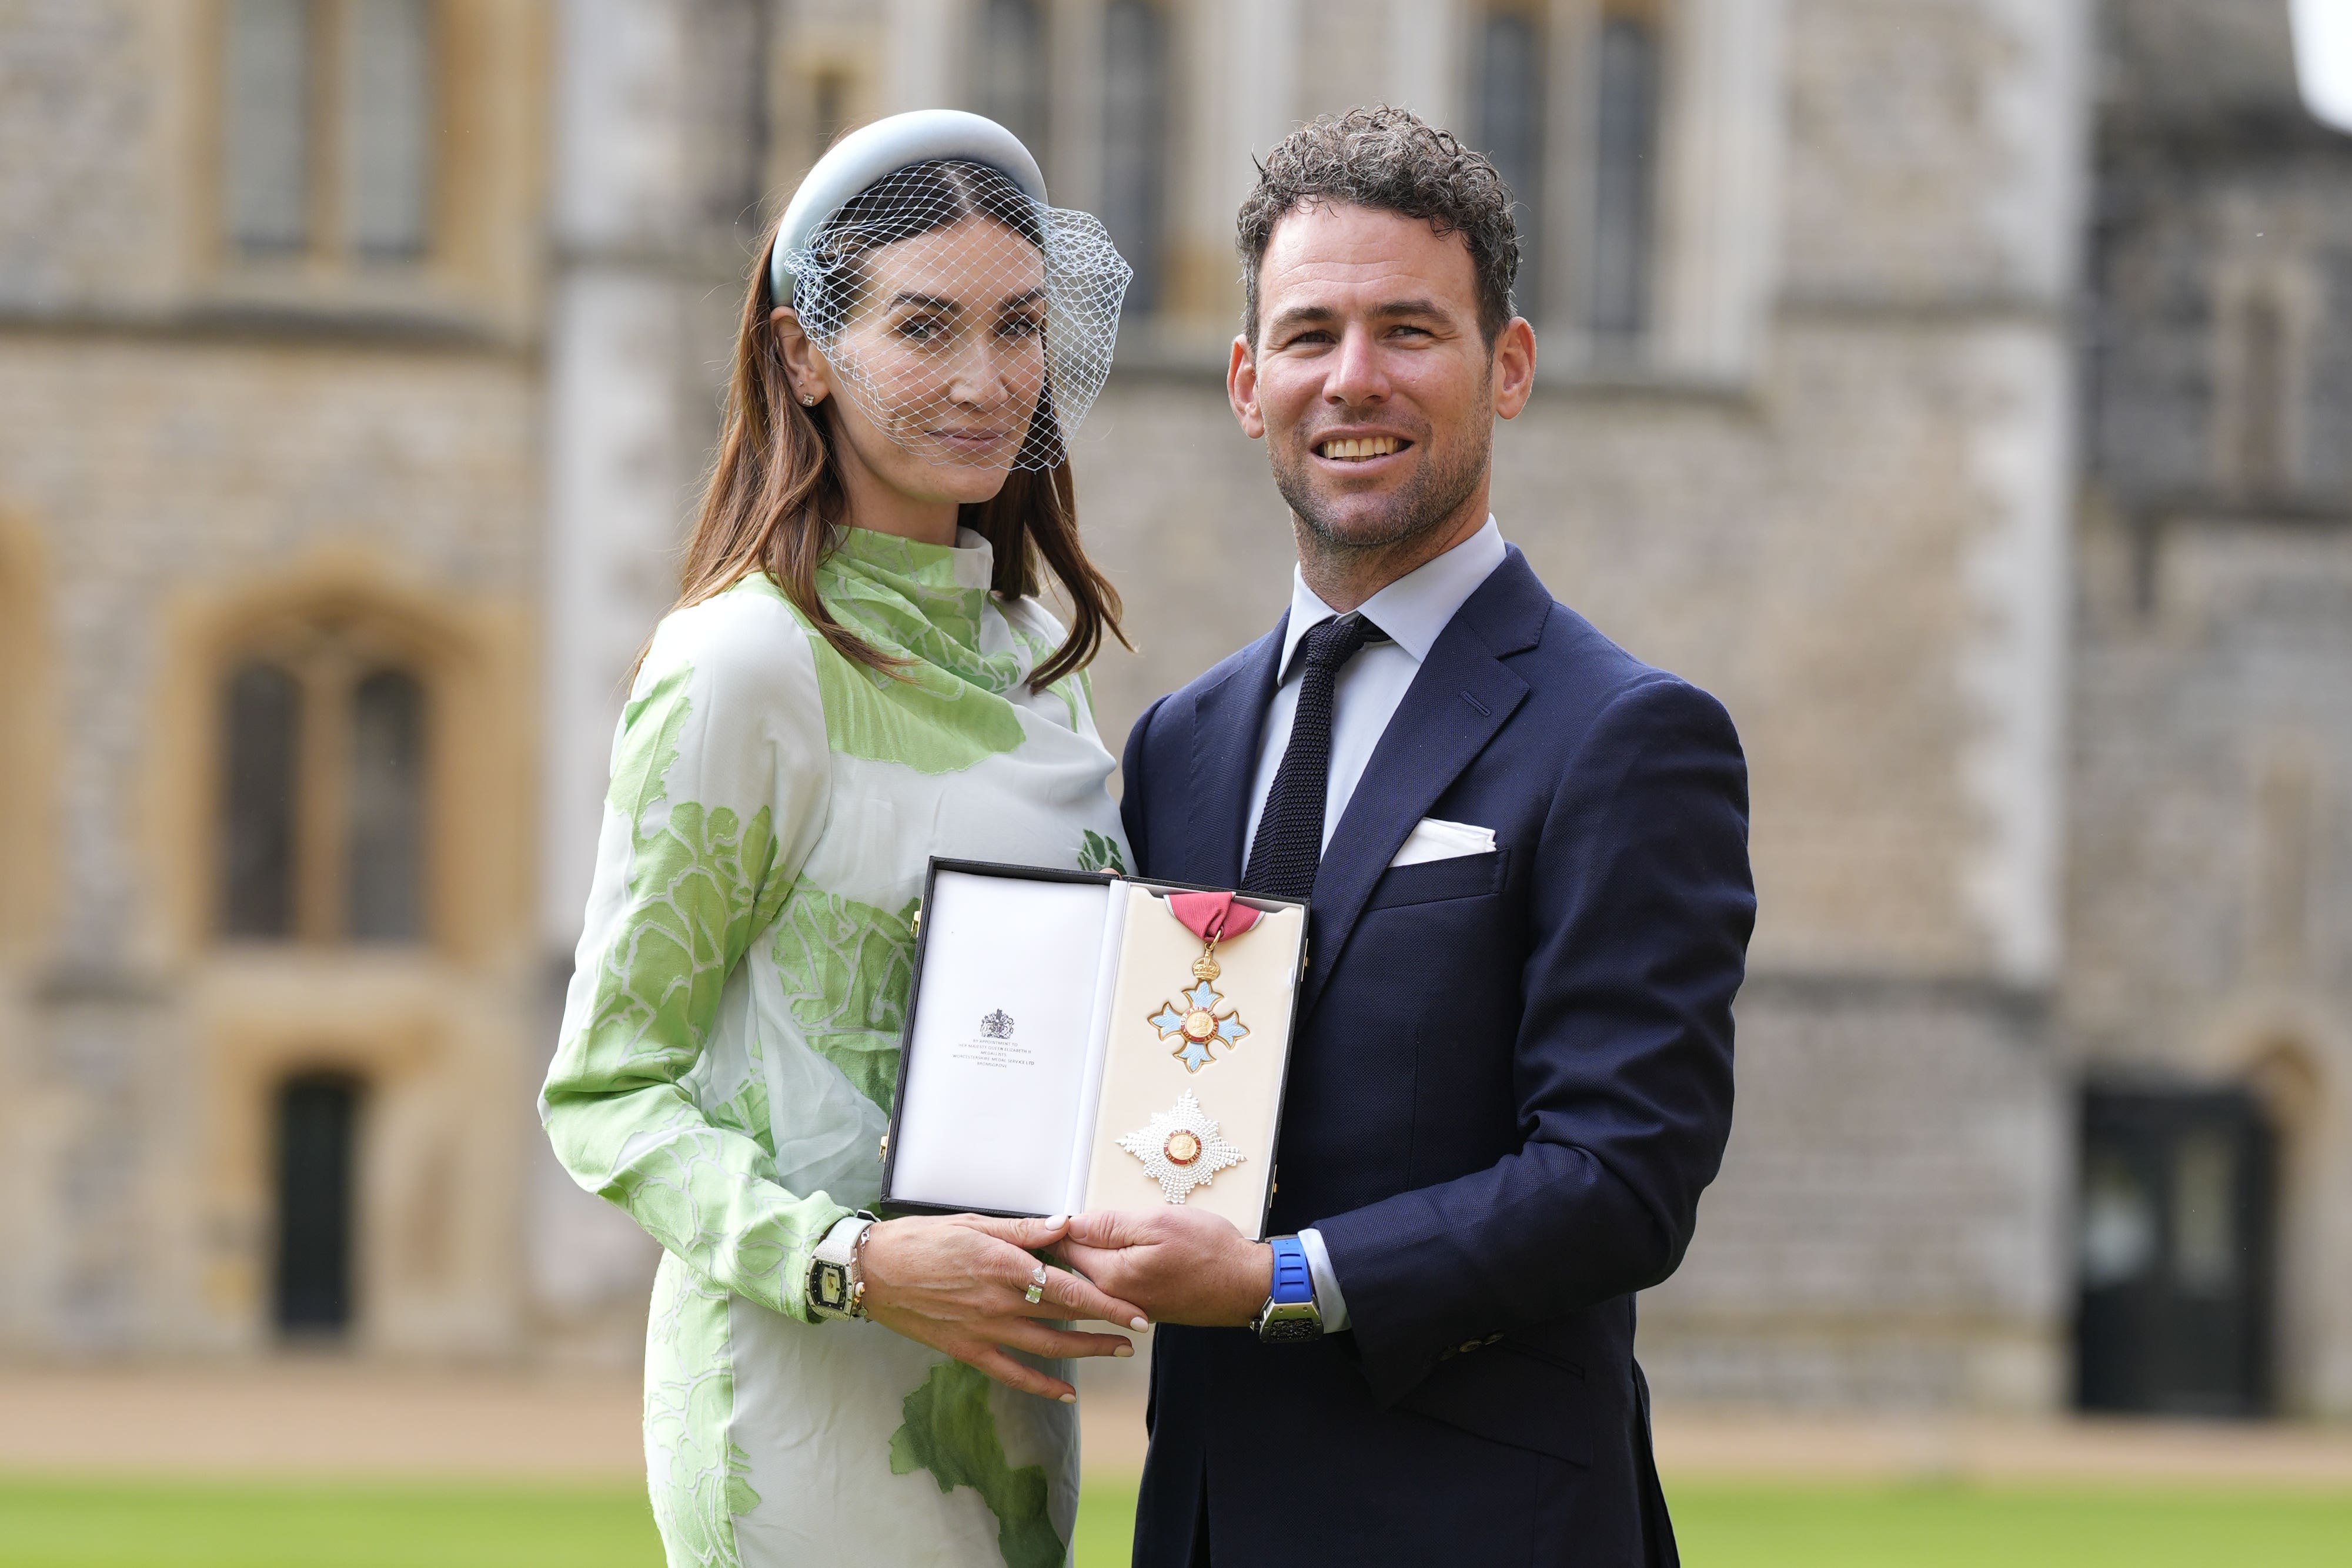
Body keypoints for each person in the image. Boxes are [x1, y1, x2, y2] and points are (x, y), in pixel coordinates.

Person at [1058, 108, 1756, 1567]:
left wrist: (1275, 1277)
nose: (1352, 379)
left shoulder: (1627, 733)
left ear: (1505, 367)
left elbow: (1620, 1177)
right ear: (1247, 385)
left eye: (1408, 331)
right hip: (1198, 1522)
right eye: (1308, 334)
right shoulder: (1177, 744)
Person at [540, 111, 1147, 1568]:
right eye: (923, 327)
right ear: (805, 354)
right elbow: (607, 1092)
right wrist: (855, 1263)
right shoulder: (740, 665)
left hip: (1006, 1402)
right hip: (796, 1400)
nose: (983, 379)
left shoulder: (1030, 662)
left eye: (1015, 329)